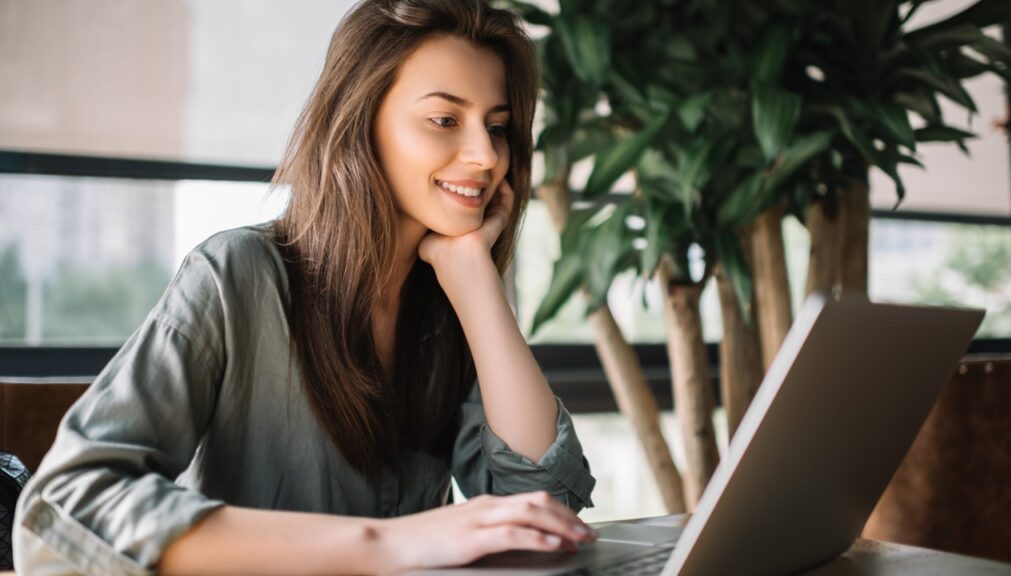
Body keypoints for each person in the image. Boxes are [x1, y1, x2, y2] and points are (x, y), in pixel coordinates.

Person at [13, 0, 597, 574]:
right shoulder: (235, 275)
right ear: (360, 122)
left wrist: (477, 285)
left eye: (497, 127)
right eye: (445, 120)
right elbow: (68, 501)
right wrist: (385, 543)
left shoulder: (451, 299)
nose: (486, 155)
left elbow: (550, 508)